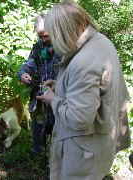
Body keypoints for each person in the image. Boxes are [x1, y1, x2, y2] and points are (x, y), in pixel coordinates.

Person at [36, 1, 130, 180]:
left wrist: (53, 99)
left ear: (65, 31)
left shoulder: (84, 62)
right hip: (97, 145)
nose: (52, 41)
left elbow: (79, 119)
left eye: (53, 35)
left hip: (83, 154)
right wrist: (61, 86)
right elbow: (91, 88)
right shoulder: (100, 41)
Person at [18, 14, 60, 155]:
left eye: (45, 36)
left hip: (59, 98)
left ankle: (55, 159)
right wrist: (23, 73)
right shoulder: (38, 47)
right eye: (40, 36)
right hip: (39, 96)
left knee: (58, 132)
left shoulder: (65, 47)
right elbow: (29, 64)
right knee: (38, 126)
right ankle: (37, 152)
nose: (43, 39)